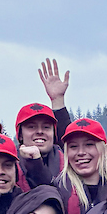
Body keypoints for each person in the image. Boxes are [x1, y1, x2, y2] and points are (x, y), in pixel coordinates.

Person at [15, 57, 75, 186]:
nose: (40, 132)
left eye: (47, 127)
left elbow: (68, 140)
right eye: (31, 127)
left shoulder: (70, 165)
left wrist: (58, 100)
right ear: (20, 135)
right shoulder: (8, 165)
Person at [54, 116, 107, 214]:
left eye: (89, 144)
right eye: (73, 146)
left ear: (105, 149)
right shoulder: (57, 191)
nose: (81, 152)